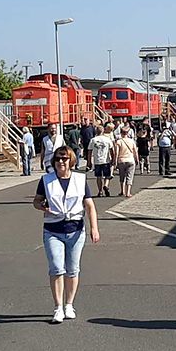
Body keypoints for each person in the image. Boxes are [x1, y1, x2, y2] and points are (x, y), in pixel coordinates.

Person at [32, 147, 100, 323]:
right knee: (56, 267)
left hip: (76, 230)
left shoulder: (80, 179)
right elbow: (36, 201)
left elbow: (90, 205)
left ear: (71, 160)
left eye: (64, 158)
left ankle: (69, 304)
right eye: (57, 159)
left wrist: (94, 228)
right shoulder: (46, 180)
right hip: (53, 230)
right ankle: (58, 308)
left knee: (72, 269)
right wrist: (42, 207)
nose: (60, 162)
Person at [88, 125, 114, 196]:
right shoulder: (107, 139)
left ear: (96, 131)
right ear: (103, 131)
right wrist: (113, 159)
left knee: (98, 177)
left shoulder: (93, 140)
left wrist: (89, 162)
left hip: (97, 161)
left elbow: (89, 151)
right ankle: (106, 185)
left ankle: (100, 191)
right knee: (107, 176)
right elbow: (112, 150)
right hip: (106, 160)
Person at [113, 125, 139, 197]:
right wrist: (137, 159)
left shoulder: (118, 142)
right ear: (127, 133)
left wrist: (115, 161)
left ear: (121, 133)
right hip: (130, 159)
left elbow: (116, 153)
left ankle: (122, 191)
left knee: (122, 176)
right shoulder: (132, 141)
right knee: (129, 176)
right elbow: (135, 151)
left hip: (121, 160)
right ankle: (128, 192)